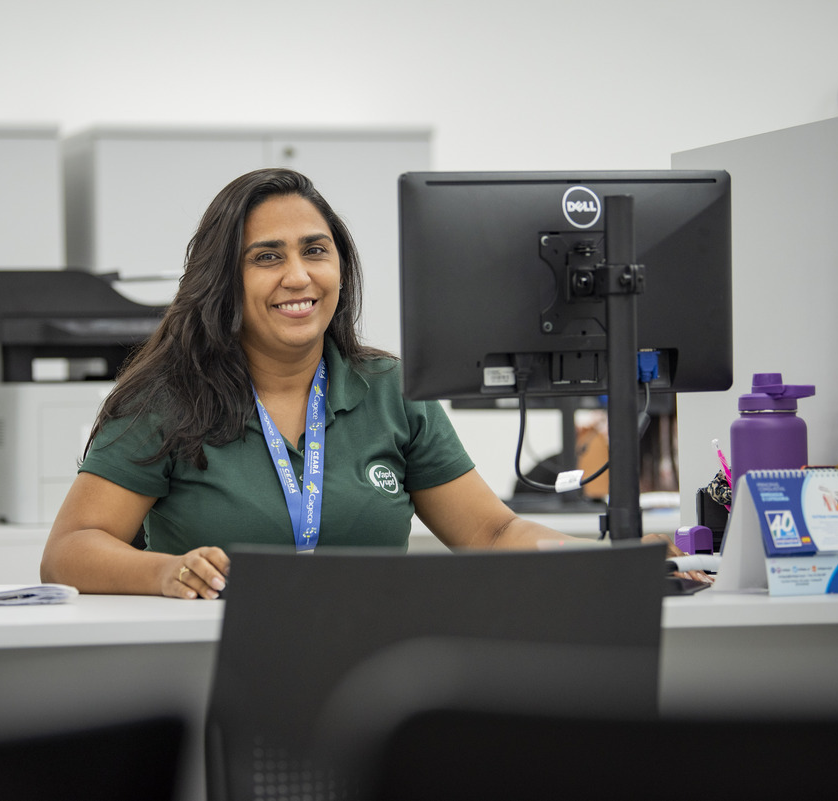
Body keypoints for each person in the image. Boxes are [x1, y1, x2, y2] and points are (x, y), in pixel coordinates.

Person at [41, 168, 686, 598]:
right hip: (212, 662)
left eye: (315, 251)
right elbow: (68, 551)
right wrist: (167, 572)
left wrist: (605, 564)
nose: (299, 276)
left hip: (371, 662)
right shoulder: (168, 396)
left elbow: (492, 533)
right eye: (268, 257)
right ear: (225, 282)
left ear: (340, 270)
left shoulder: (389, 390)